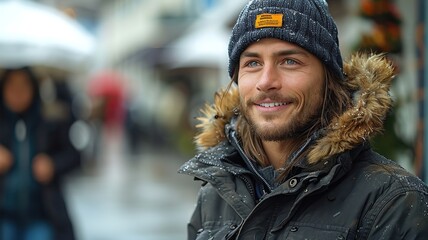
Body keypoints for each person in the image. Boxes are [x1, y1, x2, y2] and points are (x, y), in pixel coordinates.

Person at [179, 0, 428, 239]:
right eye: (253, 63)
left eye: (289, 61)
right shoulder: (215, 196)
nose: (266, 82)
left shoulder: (393, 202)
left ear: (328, 79)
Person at [0, 67, 80, 240]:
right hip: (4, 216)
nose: (17, 92)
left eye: (24, 86)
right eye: (12, 86)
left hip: (42, 214)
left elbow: (75, 156)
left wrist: (53, 165)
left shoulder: (51, 121)